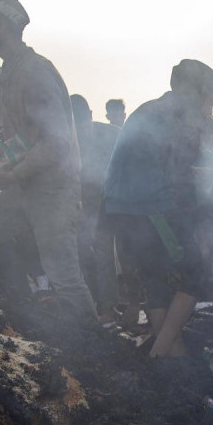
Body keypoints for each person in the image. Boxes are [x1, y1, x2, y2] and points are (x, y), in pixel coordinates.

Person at [0, 0, 95, 319]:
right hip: (23, 186)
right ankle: (2, 316)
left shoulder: (34, 72)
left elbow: (56, 141)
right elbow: (20, 134)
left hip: (52, 190)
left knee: (64, 277)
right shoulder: (9, 71)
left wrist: (12, 175)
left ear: (3, 23)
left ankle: (99, 350)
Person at [102, 59, 213, 358]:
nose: (210, 110)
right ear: (193, 92)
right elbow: (182, 182)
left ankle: (173, 358)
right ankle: (159, 356)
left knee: (154, 278)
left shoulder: (148, 109)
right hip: (150, 207)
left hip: (119, 208)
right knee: (199, 273)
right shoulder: (178, 116)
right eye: (209, 101)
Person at [71, 94, 121, 318]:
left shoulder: (112, 134)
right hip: (79, 203)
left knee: (104, 252)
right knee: (81, 252)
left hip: (109, 201)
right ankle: (91, 306)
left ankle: (108, 306)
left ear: (91, 115)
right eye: (75, 123)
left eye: (84, 121)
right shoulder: (66, 141)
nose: (81, 129)